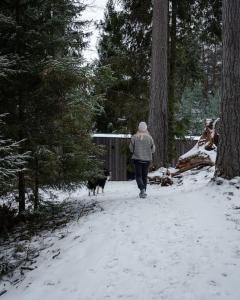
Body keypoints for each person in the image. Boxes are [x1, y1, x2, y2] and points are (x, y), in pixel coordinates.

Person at [129, 121, 155, 198]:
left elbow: (131, 149)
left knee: (138, 176)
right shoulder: (150, 137)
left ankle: (142, 190)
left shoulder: (134, 137)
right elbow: (153, 150)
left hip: (137, 159)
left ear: (138, 128)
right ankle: (143, 192)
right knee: (144, 176)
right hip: (147, 160)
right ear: (146, 128)